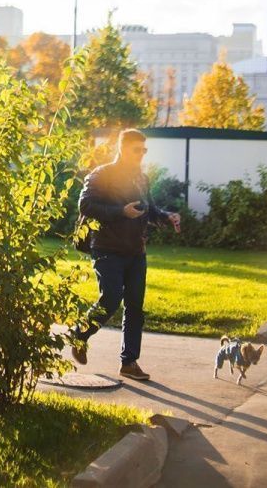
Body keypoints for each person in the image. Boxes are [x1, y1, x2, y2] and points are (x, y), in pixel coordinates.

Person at [70, 129, 181, 381]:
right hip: (107, 248)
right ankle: (80, 335)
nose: (141, 154)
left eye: (144, 150)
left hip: (135, 250)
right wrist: (121, 211)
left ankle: (129, 363)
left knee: (134, 307)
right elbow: (85, 204)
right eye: (137, 150)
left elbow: (148, 210)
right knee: (110, 298)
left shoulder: (142, 178)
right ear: (122, 148)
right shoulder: (102, 174)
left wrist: (166, 216)